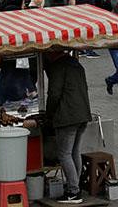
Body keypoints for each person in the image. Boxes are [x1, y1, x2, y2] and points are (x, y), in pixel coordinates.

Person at [45, 50, 91, 204]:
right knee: (74, 152)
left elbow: (54, 94)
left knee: (64, 154)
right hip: (82, 114)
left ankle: (73, 191)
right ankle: (75, 186)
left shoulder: (58, 66)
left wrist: (49, 115)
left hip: (67, 116)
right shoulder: (76, 64)